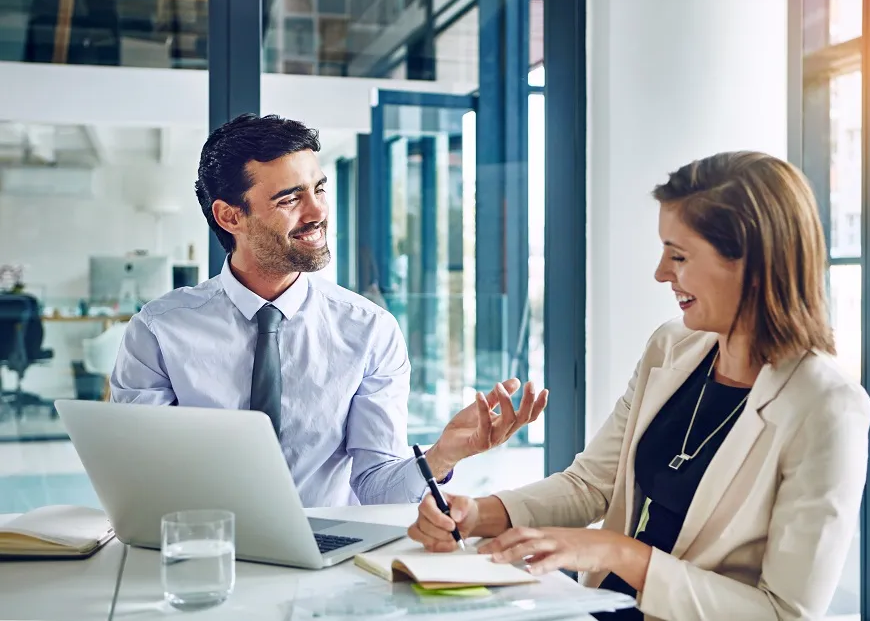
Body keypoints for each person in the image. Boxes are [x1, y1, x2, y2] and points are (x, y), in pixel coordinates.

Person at [407, 151, 870, 620]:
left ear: (750, 262)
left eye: (679, 256)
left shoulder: (827, 406)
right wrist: (477, 514)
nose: (661, 273)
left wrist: (618, 553)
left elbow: (785, 613)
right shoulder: (671, 347)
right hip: (600, 608)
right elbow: (591, 485)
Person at [110, 113, 547, 508]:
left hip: (328, 556)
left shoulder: (370, 331)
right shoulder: (159, 332)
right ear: (229, 217)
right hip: (207, 548)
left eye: (319, 189)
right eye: (289, 199)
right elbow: (143, 481)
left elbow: (375, 488)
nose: (318, 211)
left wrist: (440, 456)